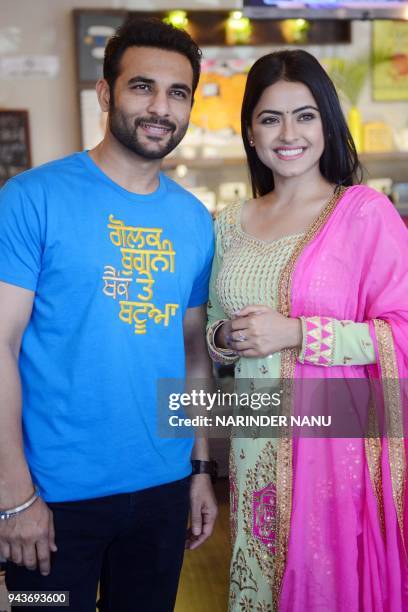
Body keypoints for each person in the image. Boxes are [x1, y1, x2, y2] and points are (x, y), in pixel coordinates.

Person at [0, 17, 217, 612]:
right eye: (142, 86)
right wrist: (12, 495)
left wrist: (199, 466)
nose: (161, 107)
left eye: (178, 93)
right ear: (106, 93)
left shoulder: (195, 220)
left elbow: (192, 352)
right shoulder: (31, 198)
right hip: (50, 500)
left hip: (162, 493)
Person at [206, 50, 408, 611]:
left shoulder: (363, 213)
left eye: (305, 115)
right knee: (260, 578)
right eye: (270, 118)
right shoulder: (229, 223)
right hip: (253, 443)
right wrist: (225, 339)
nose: (288, 133)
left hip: (335, 450)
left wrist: (296, 333)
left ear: (327, 124)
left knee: (323, 583)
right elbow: (212, 326)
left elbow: (402, 330)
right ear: (250, 132)